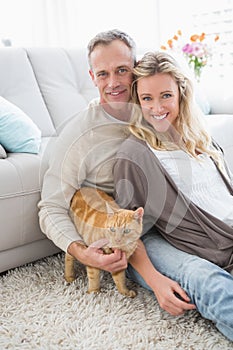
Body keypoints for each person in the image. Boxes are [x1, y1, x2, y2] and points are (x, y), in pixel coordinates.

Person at [38, 30, 196, 316]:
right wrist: (82, 252)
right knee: (196, 277)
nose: (112, 83)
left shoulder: (151, 106)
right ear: (92, 77)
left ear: (135, 68)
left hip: (173, 214)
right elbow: (50, 206)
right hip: (129, 233)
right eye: (102, 74)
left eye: (122, 70)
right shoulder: (79, 135)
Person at [113, 51, 233, 341]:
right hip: (208, 250)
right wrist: (154, 280)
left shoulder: (205, 140)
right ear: (137, 102)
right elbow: (128, 231)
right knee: (215, 288)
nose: (156, 108)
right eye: (146, 99)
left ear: (181, 93)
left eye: (165, 95)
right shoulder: (134, 155)